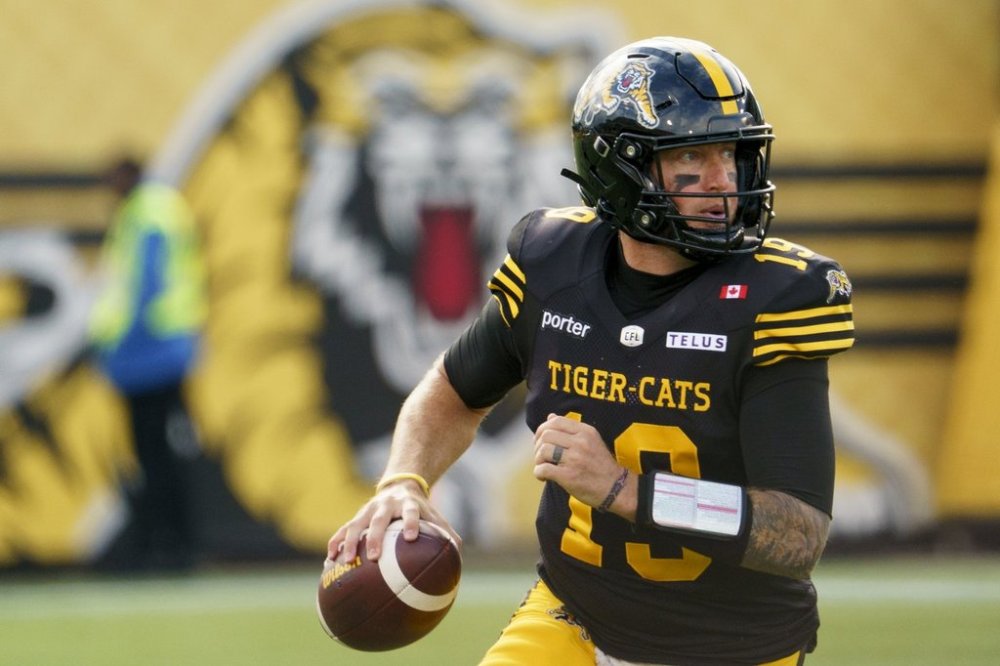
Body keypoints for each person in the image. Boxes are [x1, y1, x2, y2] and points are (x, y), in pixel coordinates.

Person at [328, 36, 854, 665]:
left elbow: (796, 533)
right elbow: (450, 391)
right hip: (573, 617)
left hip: (730, 646)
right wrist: (405, 481)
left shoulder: (776, 297)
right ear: (620, 170)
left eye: (732, 155)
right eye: (692, 159)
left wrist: (626, 489)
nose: (724, 184)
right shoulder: (554, 263)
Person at [90, 158, 207, 571]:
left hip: (149, 355)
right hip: (163, 351)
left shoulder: (146, 212)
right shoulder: (158, 208)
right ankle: (174, 543)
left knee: (155, 456)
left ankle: (167, 546)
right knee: (162, 453)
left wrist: (114, 348)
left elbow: (143, 289)